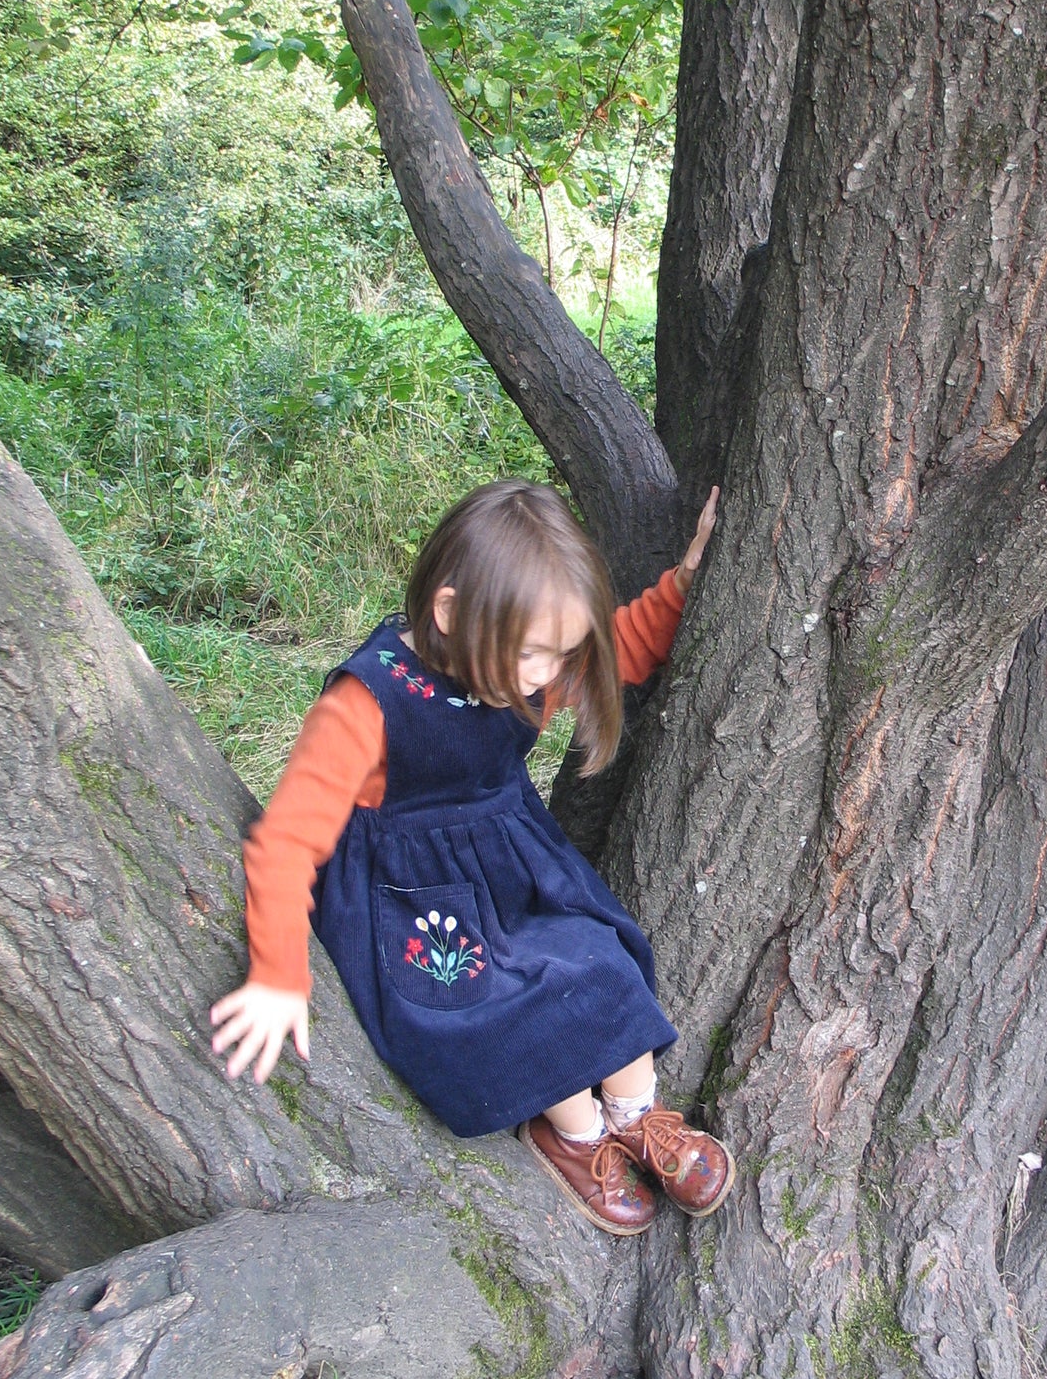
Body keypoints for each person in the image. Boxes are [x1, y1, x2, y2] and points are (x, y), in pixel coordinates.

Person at [210, 479, 733, 1236]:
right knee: (504, 1005)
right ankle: (573, 1131)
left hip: (509, 862)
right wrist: (276, 971)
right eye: (530, 652)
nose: (539, 676)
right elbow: (288, 839)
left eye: (557, 652)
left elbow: (619, 655)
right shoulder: (366, 704)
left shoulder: (525, 666)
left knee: (595, 956)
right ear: (452, 612)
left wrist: (683, 581)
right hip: (407, 892)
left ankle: (634, 1115)